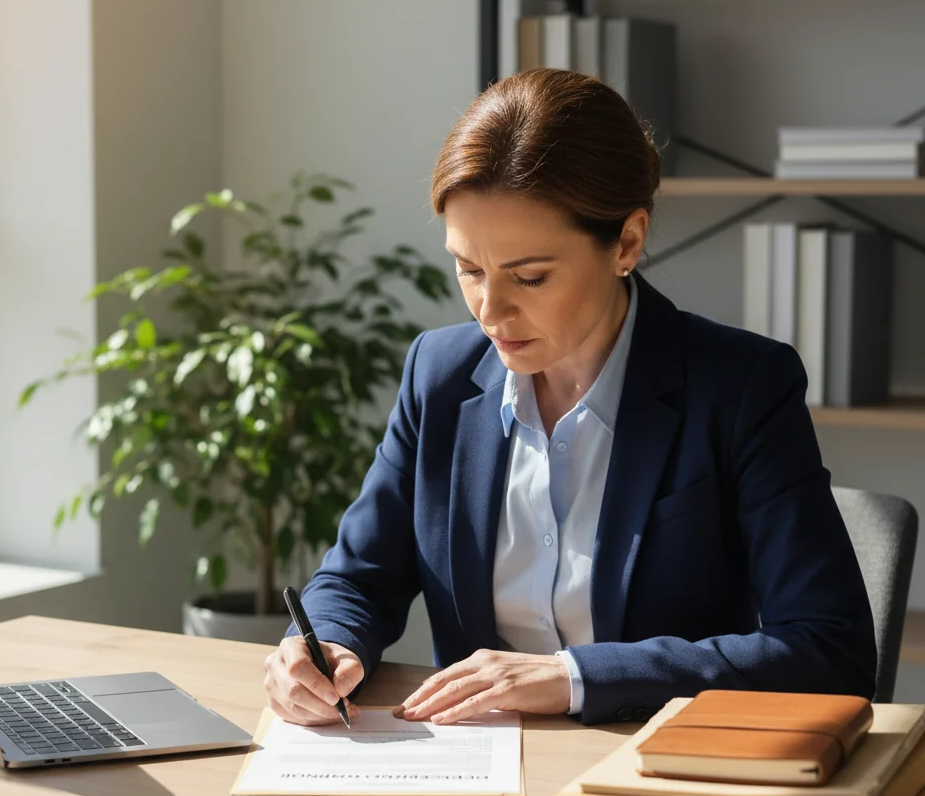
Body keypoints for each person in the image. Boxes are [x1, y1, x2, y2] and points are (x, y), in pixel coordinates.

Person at [263, 68, 877, 727]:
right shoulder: (437, 375)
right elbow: (359, 575)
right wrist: (325, 642)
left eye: (529, 277)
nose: (489, 312)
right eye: (469, 270)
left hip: (646, 770)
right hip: (474, 772)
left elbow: (828, 648)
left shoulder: (741, 386)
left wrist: (575, 676)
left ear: (627, 243)